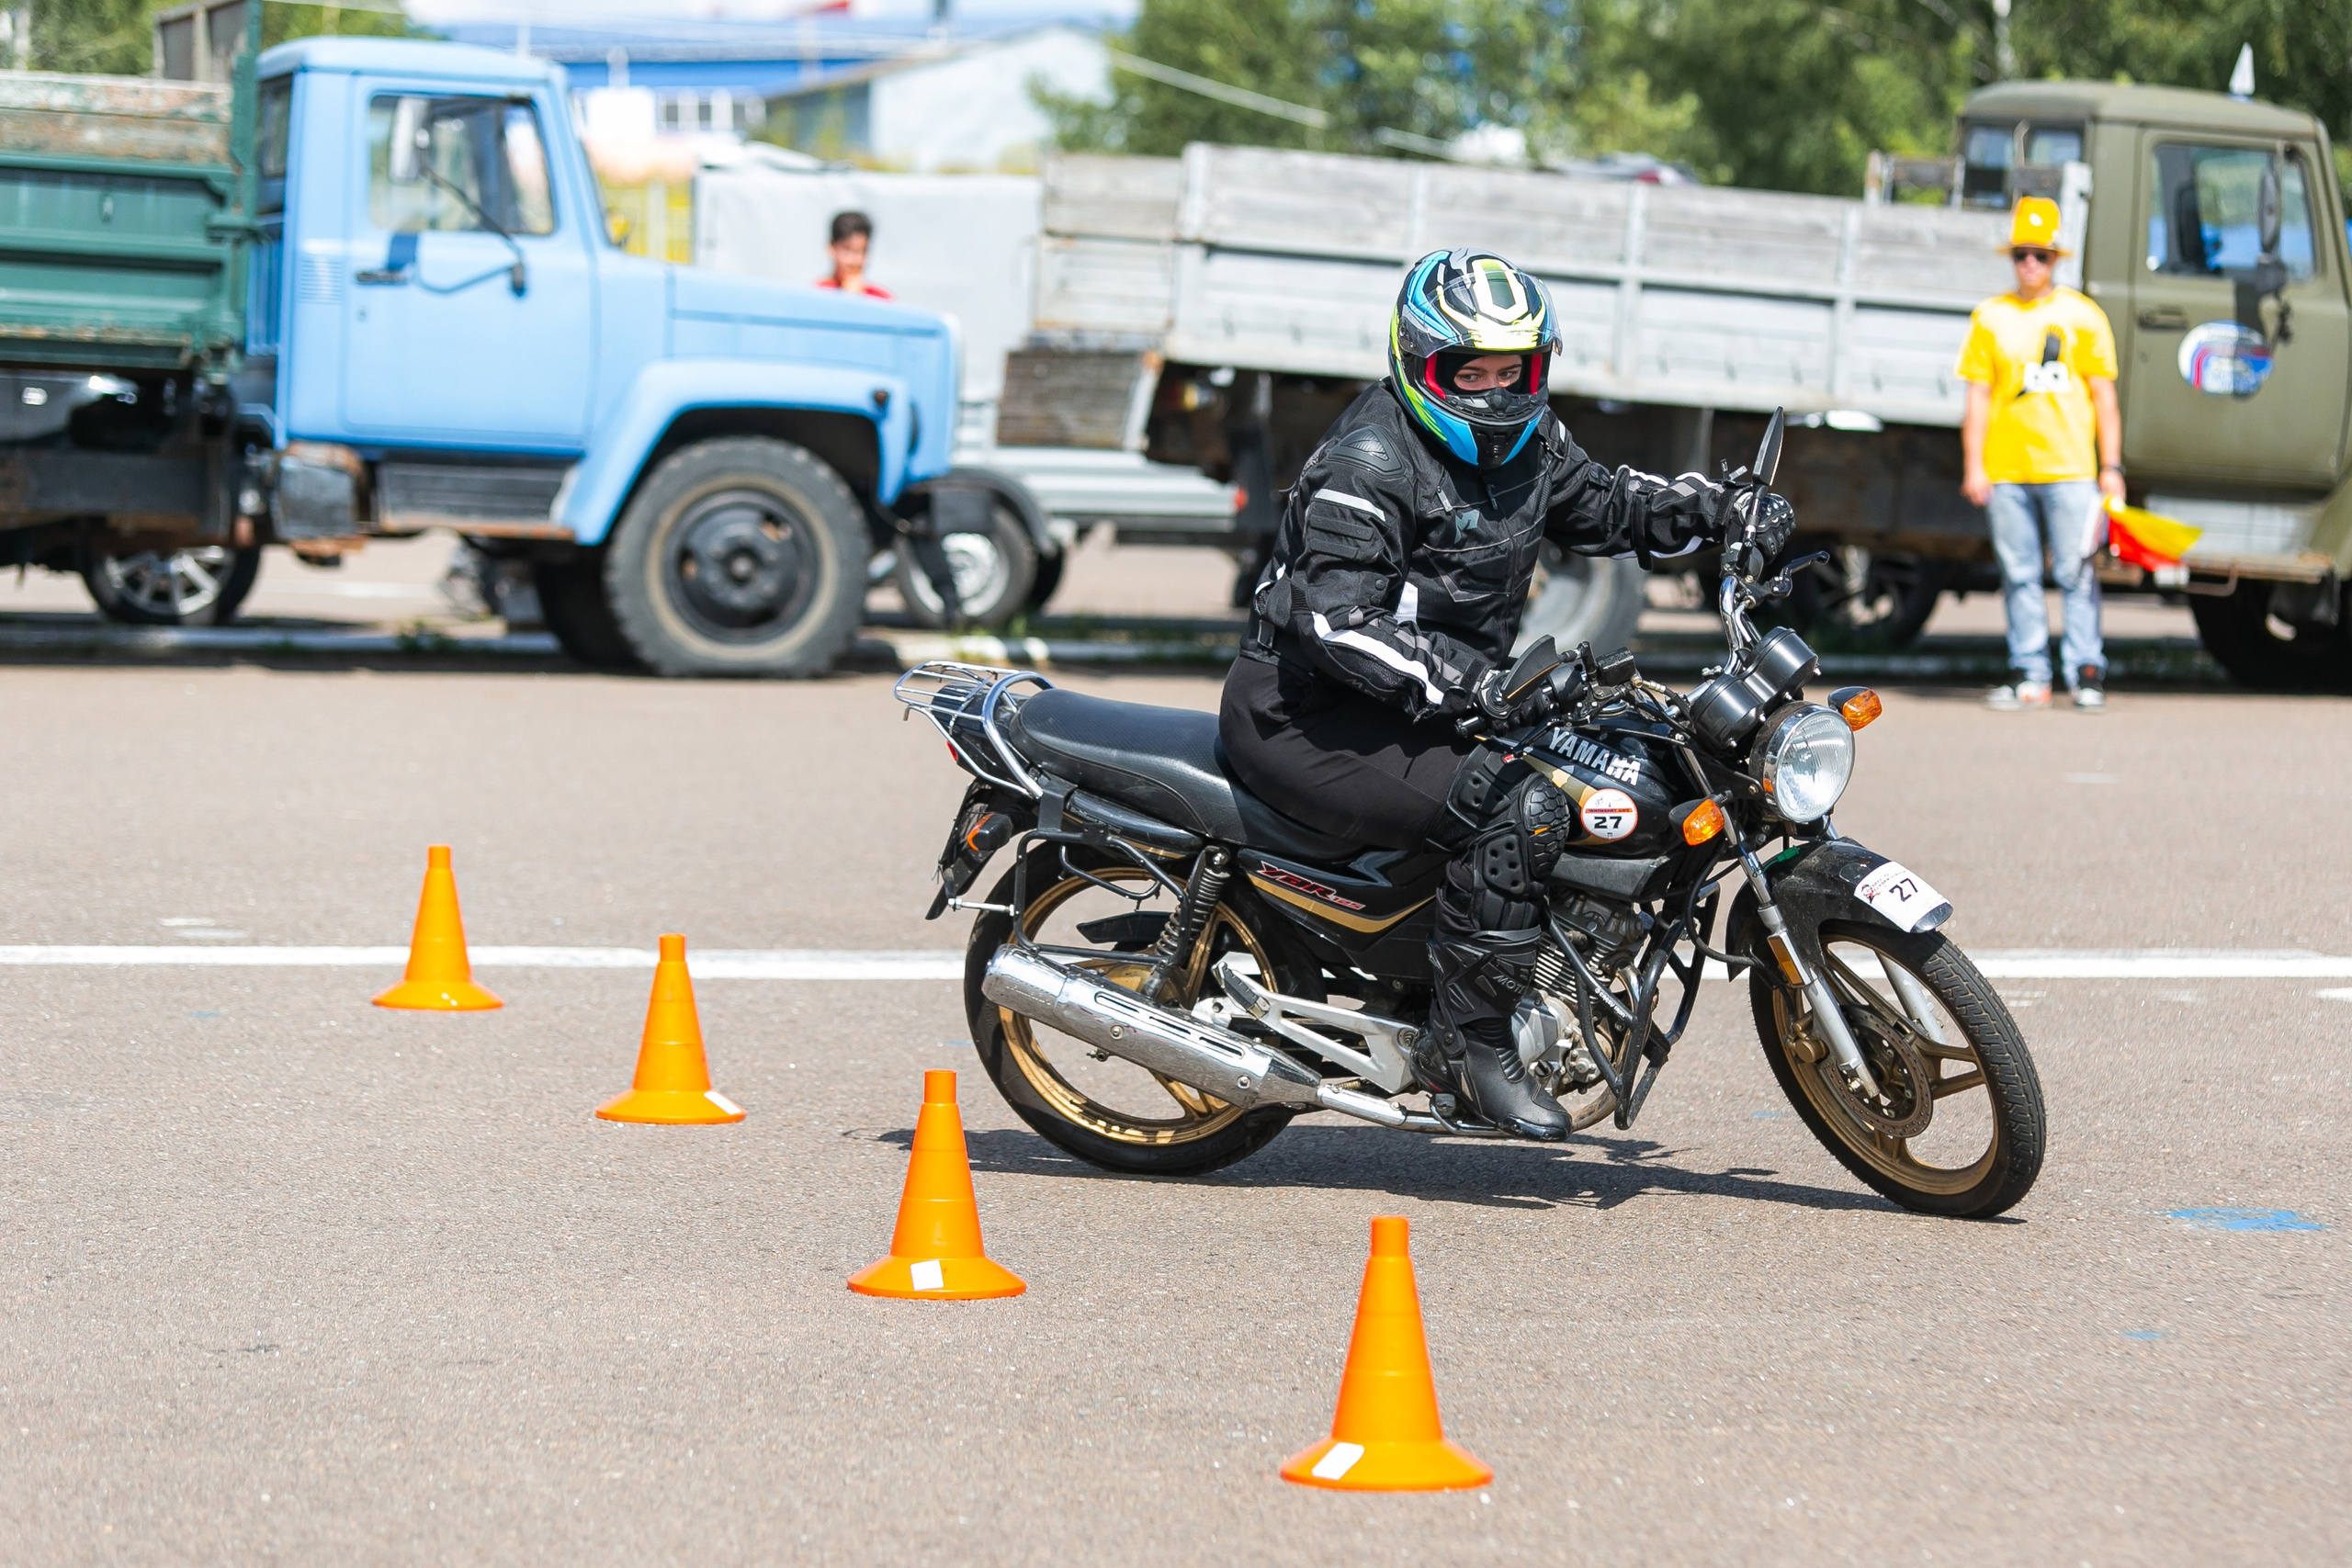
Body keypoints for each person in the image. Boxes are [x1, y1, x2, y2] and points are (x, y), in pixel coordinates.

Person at [1218, 249, 1792, 1140]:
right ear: (1419, 365)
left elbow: (1610, 506)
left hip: (1432, 704)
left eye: (1511, 371)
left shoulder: (1533, 443)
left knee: (1631, 752)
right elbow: (1334, 624)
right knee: (1519, 806)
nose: (1492, 392)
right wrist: (1476, 685)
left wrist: (1722, 511)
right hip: (1312, 715)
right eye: (1469, 372)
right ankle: (1470, 1050)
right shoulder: (1368, 464)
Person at [1958, 196, 2124, 712]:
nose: (2031, 263)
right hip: (2007, 470)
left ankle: (2085, 673)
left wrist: (2111, 468)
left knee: (2077, 572)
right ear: (2012, 257)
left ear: (2057, 259)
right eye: (2022, 254)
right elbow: (1978, 397)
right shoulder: (1990, 316)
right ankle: (2030, 673)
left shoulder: (2083, 315)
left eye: (2041, 255)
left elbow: (2104, 398)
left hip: (2072, 468)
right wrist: (1974, 465)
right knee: (2019, 574)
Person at [815, 210, 892, 299]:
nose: (855, 261)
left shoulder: (880, 299)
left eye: (862, 251)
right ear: (831, 248)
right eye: (848, 251)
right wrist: (849, 296)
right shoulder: (818, 293)